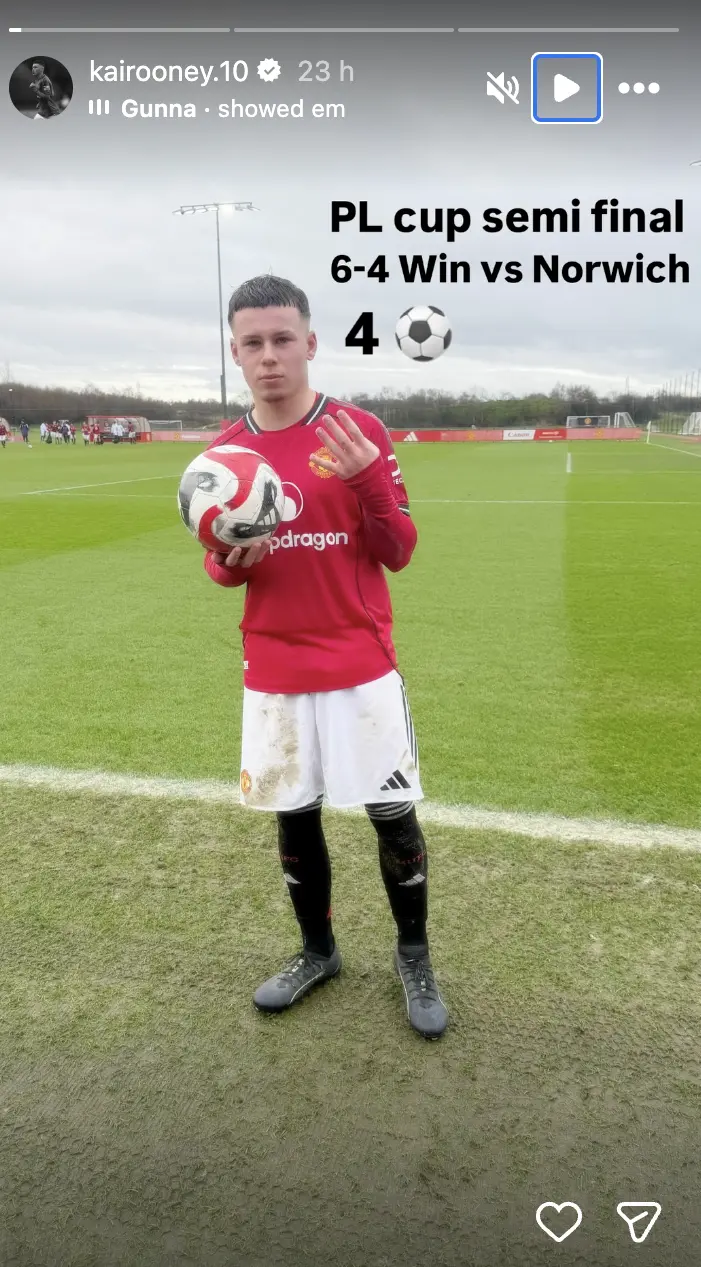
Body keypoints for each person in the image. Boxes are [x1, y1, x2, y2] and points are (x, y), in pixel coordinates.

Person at [201, 275, 447, 1039]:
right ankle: (317, 951)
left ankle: (413, 955)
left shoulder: (355, 430)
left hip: (358, 663)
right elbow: (218, 565)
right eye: (252, 343)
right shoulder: (223, 455)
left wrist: (367, 477)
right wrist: (230, 560)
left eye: (283, 339)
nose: (269, 356)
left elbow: (398, 549)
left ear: (309, 343)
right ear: (235, 353)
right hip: (273, 668)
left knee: (391, 815)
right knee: (294, 816)